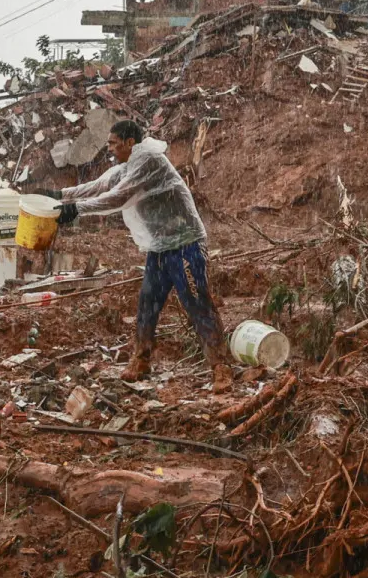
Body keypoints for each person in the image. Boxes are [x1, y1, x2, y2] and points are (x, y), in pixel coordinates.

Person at [50, 119, 232, 391]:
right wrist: (58, 196)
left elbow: (118, 197)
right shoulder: (128, 166)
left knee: (197, 302)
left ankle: (221, 367)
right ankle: (141, 359)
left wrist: (75, 210)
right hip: (159, 247)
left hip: (186, 243)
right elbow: (99, 186)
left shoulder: (148, 160)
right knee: (148, 304)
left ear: (129, 143)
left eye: (113, 143)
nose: (110, 149)